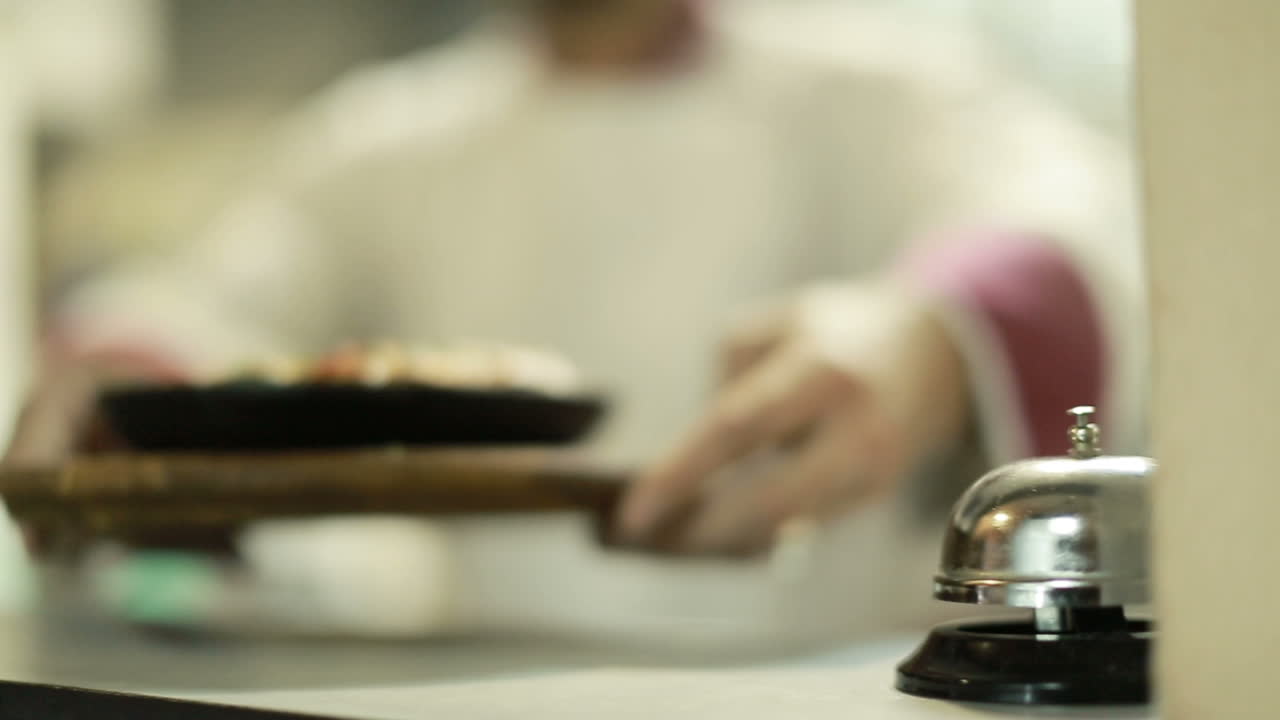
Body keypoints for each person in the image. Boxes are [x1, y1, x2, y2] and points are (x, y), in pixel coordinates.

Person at [6, 0, 1142, 638]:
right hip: (483, 682)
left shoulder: (870, 79)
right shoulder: (392, 136)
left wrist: (921, 337)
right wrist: (114, 370)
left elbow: (1062, 213)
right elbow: (214, 302)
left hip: (816, 681)